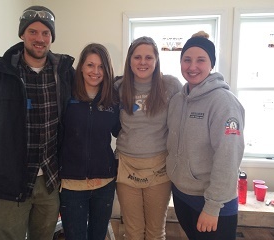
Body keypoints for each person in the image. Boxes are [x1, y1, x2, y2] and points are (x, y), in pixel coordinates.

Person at [0, 5, 75, 240]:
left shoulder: (64, 73)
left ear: (51, 37)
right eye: (33, 32)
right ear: (22, 34)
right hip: (10, 183)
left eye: (46, 33)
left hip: (49, 181)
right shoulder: (0, 73)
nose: (40, 39)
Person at [166, 31, 245, 240]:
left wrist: (212, 207)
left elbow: (228, 157)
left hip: (213, 204)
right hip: (183, 196)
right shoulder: (177, 101)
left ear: (211, 64)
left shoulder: (223, 102)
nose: (192, 67)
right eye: (187, 60)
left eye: (201, 60)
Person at [115, 36, 182, 240]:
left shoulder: (170, 85)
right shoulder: (118, 86)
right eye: (137, 57)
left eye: (148, 57)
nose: (142, 62)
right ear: (129, 60)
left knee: (155, 232)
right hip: (126, 166)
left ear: (156, 60)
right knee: (133, 232)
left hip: (159, 167)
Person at [59, 43, 120, 240]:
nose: (95, 72)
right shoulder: (67, 95)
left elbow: (120, 131)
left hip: (104, 183)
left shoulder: (112, 99)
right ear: (81, 67)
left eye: (101, 67)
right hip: (72, 185)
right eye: (90, 65)